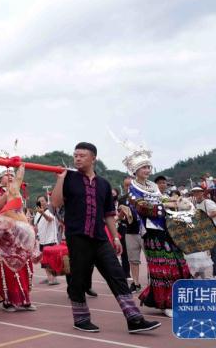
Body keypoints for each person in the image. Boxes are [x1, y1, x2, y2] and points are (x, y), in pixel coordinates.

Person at [52, 142, 160, 334]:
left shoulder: (104, 184)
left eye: (82, 155)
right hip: (77, 236)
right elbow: (56, 203)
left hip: (100, 238)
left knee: (117, 275)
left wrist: (116, 238)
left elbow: (109, 214)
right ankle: (81, 319)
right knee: (78, 278)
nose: (77, 158)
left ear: (93, 158)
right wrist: (60, 179)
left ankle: (134, 319)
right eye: (75, 155)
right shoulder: (68, 178)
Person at [123, 146, 190, 318]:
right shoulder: (133, 189)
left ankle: (178, 300)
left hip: (166, 229)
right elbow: (141, 207)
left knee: (177, 263)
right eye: (143, 167)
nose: (147, 170)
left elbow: (163, 198)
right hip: (152, 234)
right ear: (136, 170)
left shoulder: (153, 186)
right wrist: (165, 205)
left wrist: (178, 200)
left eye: (148, 167)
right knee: (162, 267)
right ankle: (165, 303)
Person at [0, 165, 36, 312]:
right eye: (6, 175)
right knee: (6, 268)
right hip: (3, 234)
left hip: (18, 234)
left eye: (11, 174)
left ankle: (25, 299)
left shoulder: (18, 192)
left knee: (24, 265)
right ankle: (8, 301)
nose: (9, 177)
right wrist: (8, 193)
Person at [191, 187, 216, 279]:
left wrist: (204, 218)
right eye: (194, 193)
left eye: (198, 192)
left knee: (215, 253)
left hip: (213, 230)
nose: (196, 194)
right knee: (213, 253)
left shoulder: (208, 202)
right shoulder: (196, 204)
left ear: (202, 193)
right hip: (206, 231)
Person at [118, 176, 143, 293]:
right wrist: (122, 213)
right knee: (133, 260)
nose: (128, 187)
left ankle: (154, 283)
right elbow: (120, 217)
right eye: (126, 185)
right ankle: (136, 283)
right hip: (130, 232)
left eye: (130, 185)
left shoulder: (143, 196)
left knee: (151, 259)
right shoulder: (122, 199)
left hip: (145, 232)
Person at [33, 196, 59, 285]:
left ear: (46, 201)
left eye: (43, 201)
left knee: (51, 261)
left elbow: (50, 219)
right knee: (44, 261)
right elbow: (36, 226)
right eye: (39, 201)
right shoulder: (37, 214)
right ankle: (49, 278)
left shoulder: (49, 211)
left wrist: (43, 213)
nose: (42, 203)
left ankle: (53, 279)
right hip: (42, 241)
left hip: (50, 240)